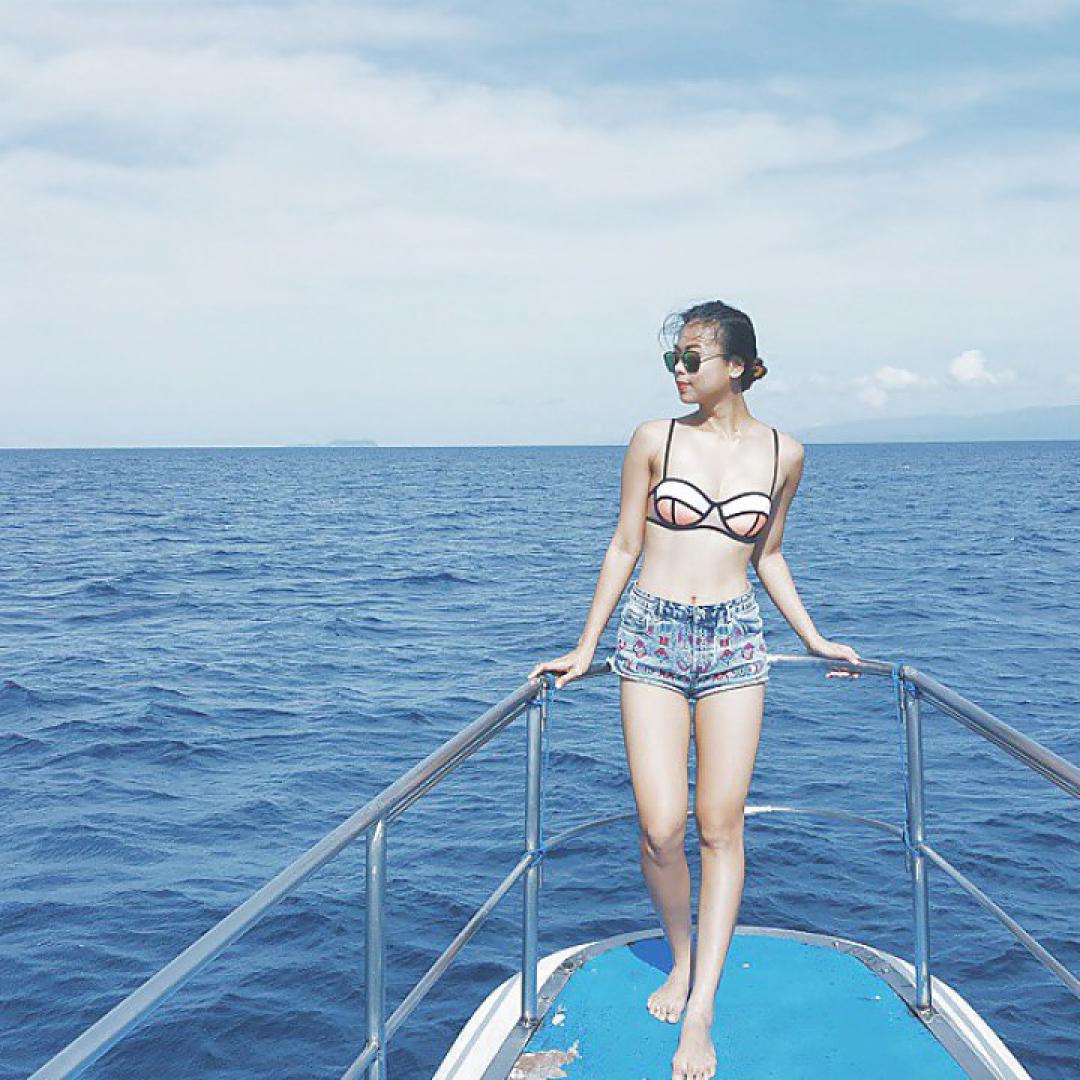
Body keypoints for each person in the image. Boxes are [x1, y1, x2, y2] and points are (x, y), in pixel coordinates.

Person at [529, 299, 861, 1080]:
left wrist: (814, 638)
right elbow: (624, 544)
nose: (679, 371)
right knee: (660, 827)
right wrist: (586, 646)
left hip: (735, 642)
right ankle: (680, 956)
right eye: (673, 359)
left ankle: (702, 1004)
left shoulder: (784, 453)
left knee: (720, 826)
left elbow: (769, 555)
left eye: (693, 358)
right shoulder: (655, 439)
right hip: (649, 636)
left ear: (737, 366)